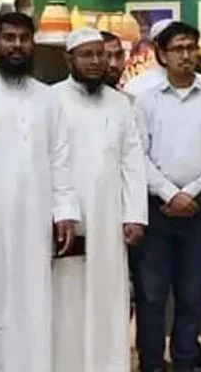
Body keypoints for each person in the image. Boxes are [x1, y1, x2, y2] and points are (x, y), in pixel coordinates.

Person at [0, 12, 81, 372]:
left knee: (34, 301)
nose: (17, 45)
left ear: (33, 44)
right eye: (8, 38)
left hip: (35, 217)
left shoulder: (48, 98)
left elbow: (60, 157)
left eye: (24, 39)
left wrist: (65, 212)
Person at [133, 21, 201, 372]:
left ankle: (187, 362)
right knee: (152, 295)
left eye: (191, 48)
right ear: (162, 54)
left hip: (200, 210)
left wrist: (192, 194)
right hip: (155, 210)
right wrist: (169, 193)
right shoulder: (146, 100)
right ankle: (152, 363)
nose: (186, 55)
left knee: (192, 294)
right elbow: (137, 155)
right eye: (177, 49)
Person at [51, 28, 149, 372]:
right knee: (67, 299)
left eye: (101, 55)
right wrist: (61, 211)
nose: (96, 62)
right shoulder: (51, 100)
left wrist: (134, 215)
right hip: (67, 218)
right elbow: (51, 161)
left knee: (109, 298)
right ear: (69, 59)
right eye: (87, 55)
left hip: (110, 219)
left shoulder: (121, 103)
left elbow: (132, 162)